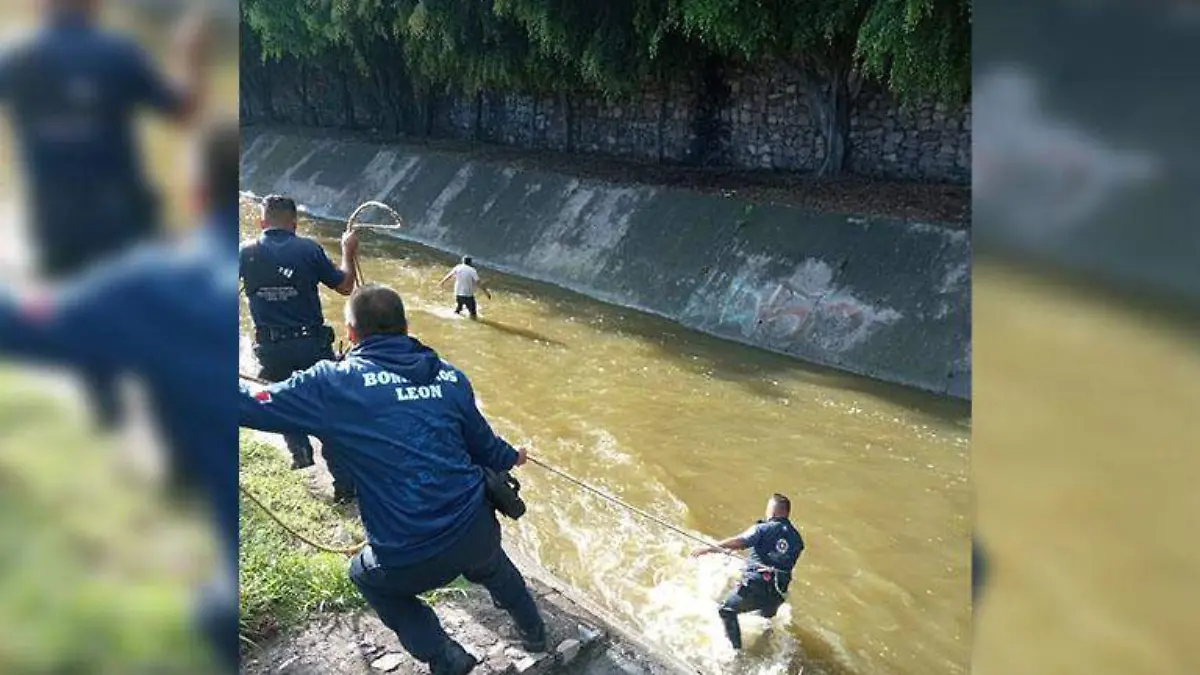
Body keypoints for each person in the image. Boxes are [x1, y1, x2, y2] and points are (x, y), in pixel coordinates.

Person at [0, 119, 242, 671]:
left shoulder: (155, 283)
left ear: (197, 193)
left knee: (216, 613)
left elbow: (20, 323)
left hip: (124, 340)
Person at [239, 283, 549, 675]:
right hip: (474, 529)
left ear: (350, 334)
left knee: (365, 576)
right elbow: (489, 449)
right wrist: (514, 455)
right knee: (495, 566)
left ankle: (445, 657)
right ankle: (535, 634)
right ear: (406, 326)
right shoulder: (451, 378)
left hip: (406, 555)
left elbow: (245, 405)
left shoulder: (331, 384)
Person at [0, 0, 209, 432]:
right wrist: (191, 54)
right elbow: (184, 109)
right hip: (124, 218)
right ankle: (172, 434)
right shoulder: (117, 53)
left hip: (56, 222)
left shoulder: (16, 58)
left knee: (83, 317)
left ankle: (108, 413)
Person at [239, 194, 359, 503]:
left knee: (283, 400)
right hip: (311, 345)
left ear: (261, 222)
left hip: (271, 348)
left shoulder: (245, 253)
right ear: (294, 223)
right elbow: (346, 287)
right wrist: (349, 250)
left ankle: (300, 451)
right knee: (328, 411)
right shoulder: (308, 249)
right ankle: (345, 485)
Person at [692, 493, 804, 651]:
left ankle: (735, 652)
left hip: (756, 587)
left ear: (772, 511)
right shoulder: (798, 540)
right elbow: (777, 557)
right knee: (764, 621)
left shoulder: (763, 528)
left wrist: (709, 548)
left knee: (726, 610)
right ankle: (766, 653)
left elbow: (740, 541)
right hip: (778, 594)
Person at [438, 255, 491, 320]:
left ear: (463, 261)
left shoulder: (457, 267)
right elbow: (478, 282)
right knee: (473, 313)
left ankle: (454, 317)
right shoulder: (472, 270)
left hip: (457, 293)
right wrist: (486, 292)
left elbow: (449, 276)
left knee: (459, 308)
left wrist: (441, 283)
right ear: (470, 262)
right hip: (467, 295)